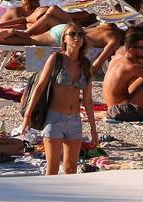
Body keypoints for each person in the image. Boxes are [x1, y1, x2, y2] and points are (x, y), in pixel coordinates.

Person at [21, 24, 98, 175]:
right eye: (72, 34)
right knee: (53, 169)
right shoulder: (56, 59)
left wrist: (94, 130)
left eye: (81, 34)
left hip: (75, 120)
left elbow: (88, 100)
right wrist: (27, 116)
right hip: (54, 118)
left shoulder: (85, 64)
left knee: (71, 169)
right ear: (64, 38)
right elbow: (40, 87)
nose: (77, 38)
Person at [103, 28, 143, 110]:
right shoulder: (131, 67)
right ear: (131, 50)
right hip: (121, 108)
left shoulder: (119, 57)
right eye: (142, 48)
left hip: (112, 104)